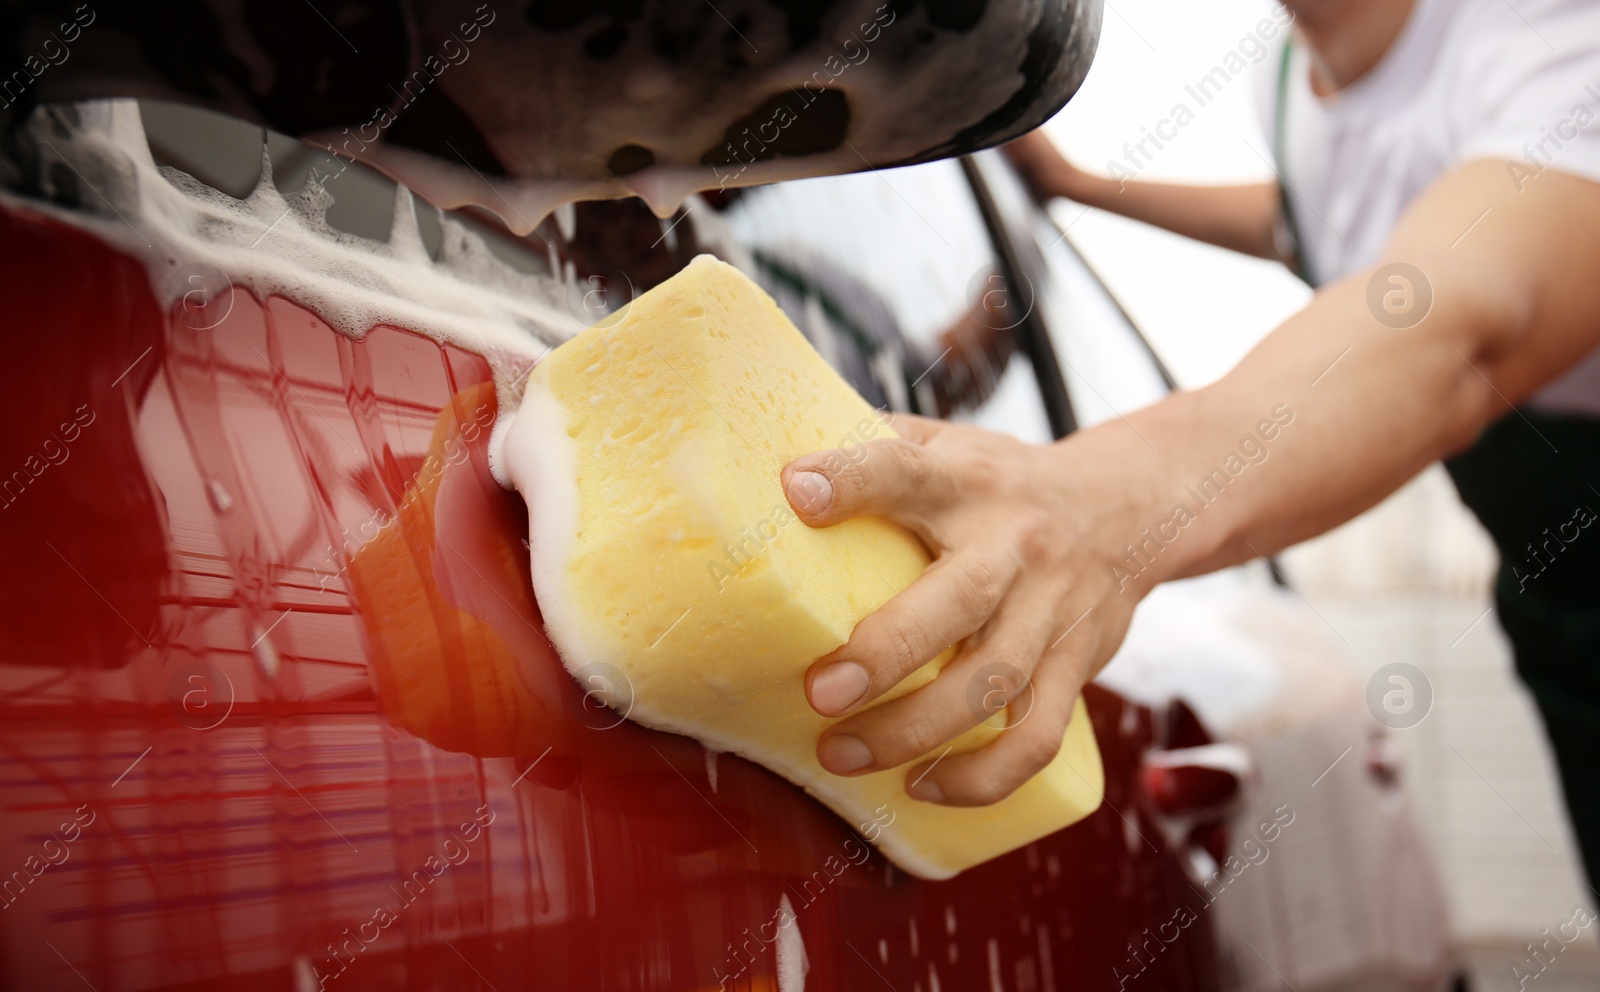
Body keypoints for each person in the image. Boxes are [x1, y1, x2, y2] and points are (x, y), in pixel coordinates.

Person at [780, 0, 1600, 894]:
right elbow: (1309, 227)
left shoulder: (1547, 31)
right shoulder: (1284, 88)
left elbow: (1458, 321)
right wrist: (1082, 187)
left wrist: (1096, 500)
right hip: (1553, 598)